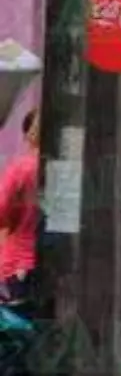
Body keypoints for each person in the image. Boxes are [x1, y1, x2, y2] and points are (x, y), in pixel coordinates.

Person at [0, 109, 38, 303]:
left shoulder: (21, 168)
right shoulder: (63, 167)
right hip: (54, 262)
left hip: (18, 260)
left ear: (28, 135)